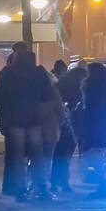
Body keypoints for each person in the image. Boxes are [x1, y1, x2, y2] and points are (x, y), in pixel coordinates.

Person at [0, 49, 51, 201]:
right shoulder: (39, 73)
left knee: (18, 156)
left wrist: (4, 120)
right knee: (38, 155)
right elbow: (47, 95)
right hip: (34, 119)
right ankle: (41, 187)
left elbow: (1, 97)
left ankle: (20, 189)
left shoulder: (9, 73)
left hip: (16, 119)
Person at [81, 62, 106, 197]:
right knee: (100, 153)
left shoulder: (92, 88)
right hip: (104, 122)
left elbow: (89, 107)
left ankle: (104, 184)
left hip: (94, 123)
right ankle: (104, 184)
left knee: (96, 154)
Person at [53, 65, 87, 192]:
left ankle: (55, 181)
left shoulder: (60, 86)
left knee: (58, 153)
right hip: (72, 125)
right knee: (66, 154)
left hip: (60, 123)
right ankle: (63, 182)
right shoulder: (80, 90)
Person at [38, 65, 66, 199]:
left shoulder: (32, 91)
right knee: (47, 159)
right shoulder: (53, 91)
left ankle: (34, 183)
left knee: (34, 158)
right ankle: (44, 186)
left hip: (34, 129)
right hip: (51, 129)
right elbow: (61, 111)